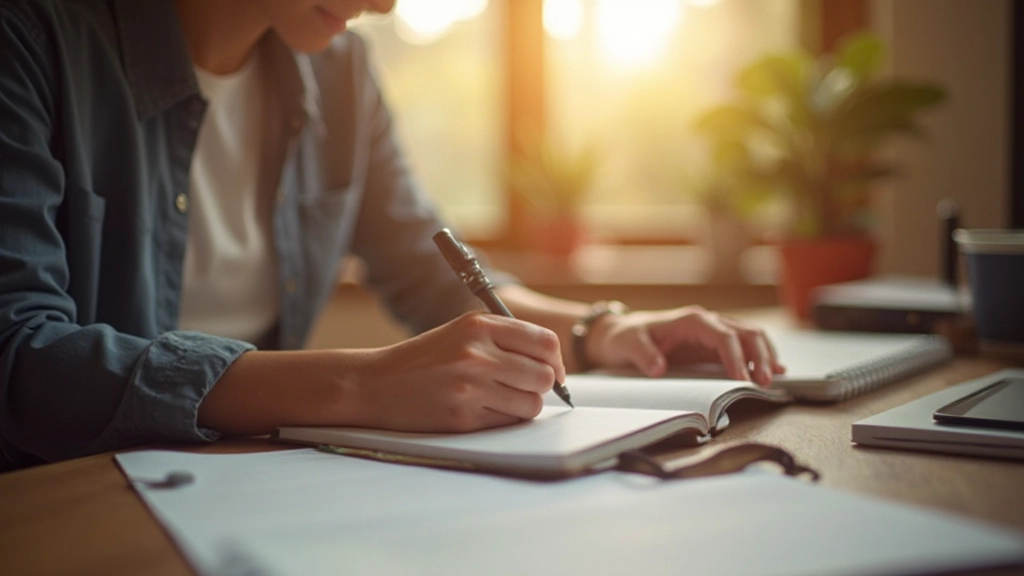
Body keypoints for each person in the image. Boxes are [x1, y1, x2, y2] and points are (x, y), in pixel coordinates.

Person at [0, 0, 784, 471]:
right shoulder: (29, 37)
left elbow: (428, 268)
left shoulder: (342, 71)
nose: (382, 0)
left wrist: (604, 328)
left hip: (252, 483)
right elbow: (19, 352)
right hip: (68, 501)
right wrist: (361, 385)